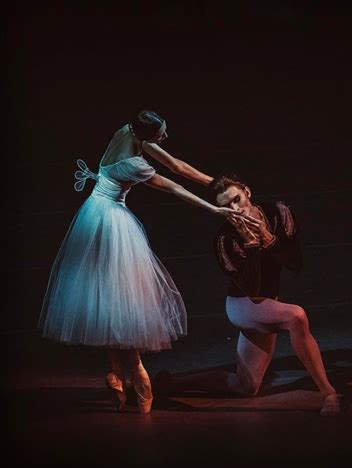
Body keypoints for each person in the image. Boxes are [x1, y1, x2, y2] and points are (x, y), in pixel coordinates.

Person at [38, 111, 249, 414]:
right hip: (112, 220)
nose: (164, 137)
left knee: (107, 296)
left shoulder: (126, 130)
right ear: (144, 135)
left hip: (93, 212)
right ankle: (138, 375)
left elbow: (175, 165)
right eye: (160, 134)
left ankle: (114, 375)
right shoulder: (134, 165)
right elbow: (174, 186)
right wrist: (212, 209)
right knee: (126, 295)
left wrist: (214, 184)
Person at [154, 173, 341, 416]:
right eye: (226, 207)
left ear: (247, 192)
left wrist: (268, 238)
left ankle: (173, 384)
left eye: (237, 199)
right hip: (243, 305)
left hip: (268, 305)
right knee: (296, 316)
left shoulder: (278, 213)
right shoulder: (225, 239)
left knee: (245, 386)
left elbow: (295, 264)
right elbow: (252, 291)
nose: (235, 209)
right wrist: (252, 245)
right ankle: (329, 393)